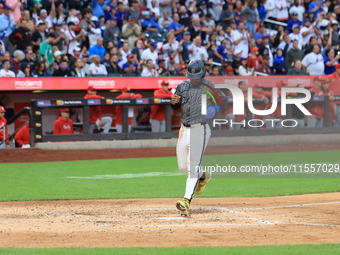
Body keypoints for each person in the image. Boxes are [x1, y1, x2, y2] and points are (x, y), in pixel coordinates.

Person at [171, 59, 227, 216]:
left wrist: (215, 109)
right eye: (192, 76)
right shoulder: (182, 86)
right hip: (184, 128)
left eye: (197, 76)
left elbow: (223, 100)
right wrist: (174, 102)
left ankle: (186, 200)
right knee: (183, 166)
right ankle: (204, 176)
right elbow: (175, 105)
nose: (194, 79)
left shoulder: (210, 86)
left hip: (200, 128)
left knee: (193, 166)